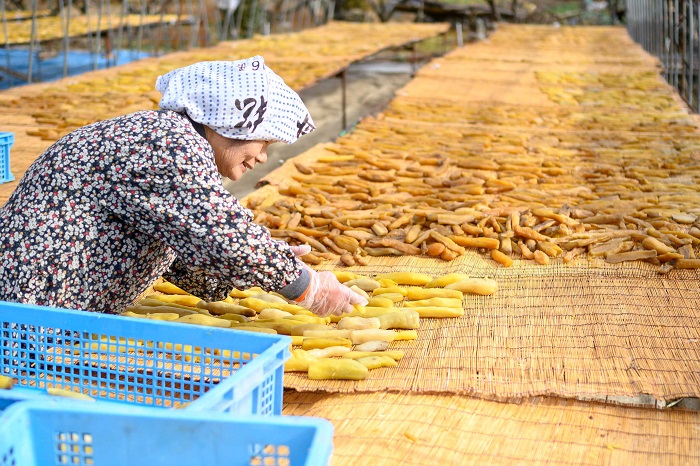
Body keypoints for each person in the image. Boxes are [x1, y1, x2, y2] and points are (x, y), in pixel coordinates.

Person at [0, 56, 367, 317]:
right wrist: (304, 285)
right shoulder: (168, 143)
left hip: (46, 303)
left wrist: (258, 264)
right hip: (31, 305)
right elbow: (221, 233)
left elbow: (183, 241)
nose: (261, 158)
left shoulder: (169, 139)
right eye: (264, 143)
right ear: (233, 124)